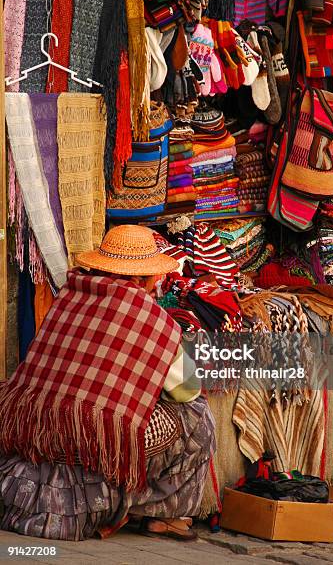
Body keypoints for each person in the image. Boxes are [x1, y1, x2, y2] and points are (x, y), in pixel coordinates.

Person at [0, 225, 216, 541]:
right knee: (196, 416)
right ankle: (160, 514)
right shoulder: (146, 315)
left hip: (42, 436)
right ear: (143, 280)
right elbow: (187, 389)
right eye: (153, 277)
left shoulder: (71, 296)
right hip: (91, 445)